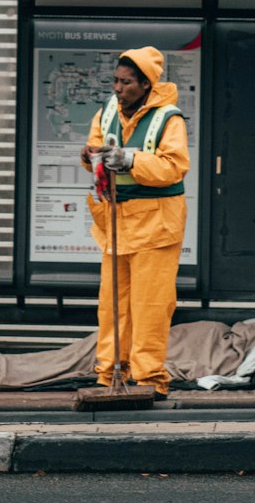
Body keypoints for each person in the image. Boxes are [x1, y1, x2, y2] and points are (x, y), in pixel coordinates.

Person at [80, 46, 190, 400]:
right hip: (117, 222)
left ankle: (149, 379)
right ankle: (111, 372)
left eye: (125, 82)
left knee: (150, 306)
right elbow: (96, 150)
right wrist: (89, 157)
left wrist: (129, 159)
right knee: (112, 305)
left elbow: (173, 167)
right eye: (115, 80)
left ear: (145, 84)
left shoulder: (168, 119)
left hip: (156, 226)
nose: (117, 87)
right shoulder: (107, 112)